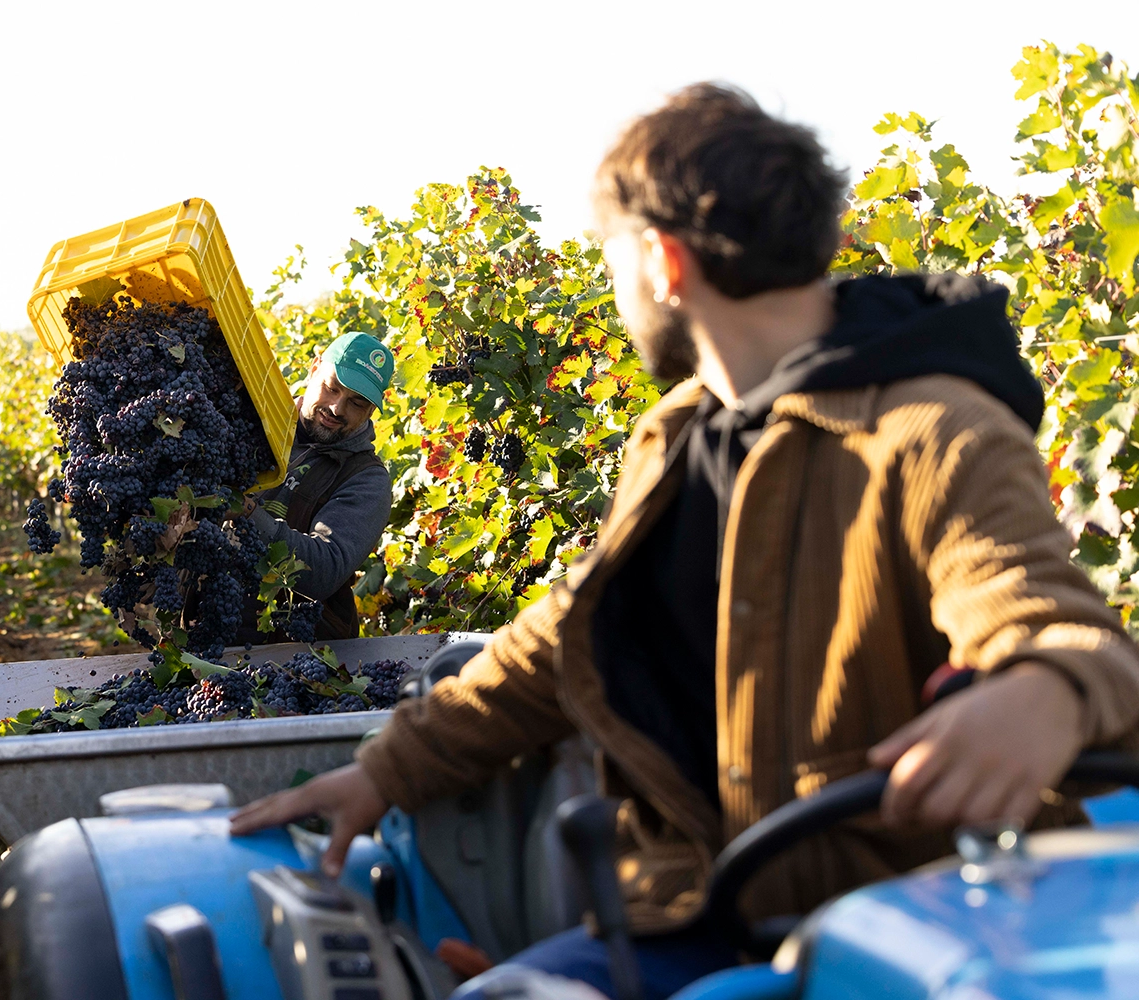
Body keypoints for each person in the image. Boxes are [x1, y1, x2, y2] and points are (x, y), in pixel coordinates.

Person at [232, 84, 1139, 997]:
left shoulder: (932, 433)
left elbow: (1051, 621)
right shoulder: (675, 437)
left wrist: (1044, 692)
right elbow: (562, 640)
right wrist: (384, 774)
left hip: (896, 938)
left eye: (612, 261)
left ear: (663, 261)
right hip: (693, 914)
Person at [239, 331, 395, 642]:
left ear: (370, 411)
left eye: (356, 403)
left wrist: (247, 513)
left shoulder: (367, 480)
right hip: (202, 631)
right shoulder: (254, 421)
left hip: (295, 652)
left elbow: (324, 569)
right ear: (314, 368)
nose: (337, 408)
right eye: (331, 388)